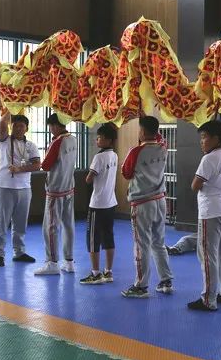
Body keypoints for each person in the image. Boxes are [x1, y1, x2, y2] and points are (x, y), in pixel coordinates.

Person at [121, 116, 173, 298]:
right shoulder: (163, 147)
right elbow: (158, 137)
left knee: (141, 244)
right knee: (158, 242)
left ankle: (141, 286)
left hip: (142, 203)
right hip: (160, 200)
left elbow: (126, 173)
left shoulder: (135, 151)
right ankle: (166, 280)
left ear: (142, 131)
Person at [187, 120, 221, 312]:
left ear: (216, 138)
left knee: (208, 255)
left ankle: (208, 299)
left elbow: (195, 185)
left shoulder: (209, 159)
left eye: (204, 137)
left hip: (212, 212)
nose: (202, 141)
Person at [0, 105, 41, 267]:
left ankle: (19, 252)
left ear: (27, 128)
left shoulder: (30, 145)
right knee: (1, 222)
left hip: (24, 187)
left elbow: (37, 165)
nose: (18, 128)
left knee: (20, 222)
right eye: (15, 125)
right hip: (4, 186)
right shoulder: (5, 141)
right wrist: (12, 105)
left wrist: (20, 169)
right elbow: (2, 124)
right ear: (11, 127)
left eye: (22, 126)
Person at [35, 113, 78, 276]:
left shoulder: (57, 141)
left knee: (51, 226)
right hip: (69, 187)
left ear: (55, 125)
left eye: (51, 126)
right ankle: (69, 261)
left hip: (55, 190)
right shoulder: (73, 139)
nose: (50, 129)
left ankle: (52, 262)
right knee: (68, 225)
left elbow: (45, 165)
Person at [81, 122, 119, 285]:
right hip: (111, 202)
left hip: (97, 204)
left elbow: (88, 179)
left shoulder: (99, 157)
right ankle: (108, 271)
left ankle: (95, 273)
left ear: (108, 140)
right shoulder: (114, 155)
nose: (97, 140)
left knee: (93, 239)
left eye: (99, 138)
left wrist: (90, 175)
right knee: (108, 236)